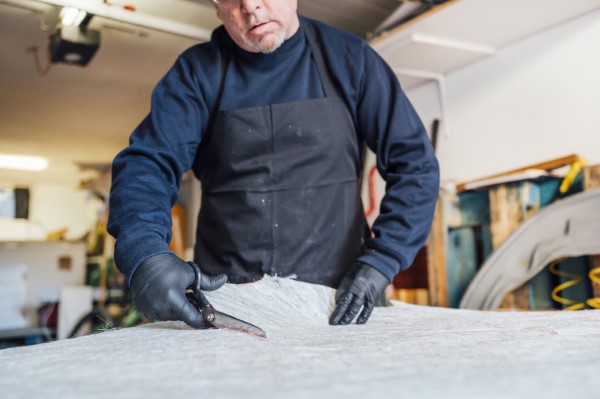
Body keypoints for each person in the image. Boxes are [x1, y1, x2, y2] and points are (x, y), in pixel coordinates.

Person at [107, 0, 439, 329]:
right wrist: (145, 252)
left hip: (339, 303)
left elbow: (415, 166)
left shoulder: (351, 59)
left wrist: (382, 261)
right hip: (230, 308)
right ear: (216, 8)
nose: (250, 6)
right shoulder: (196, 73)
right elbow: (148, 164)